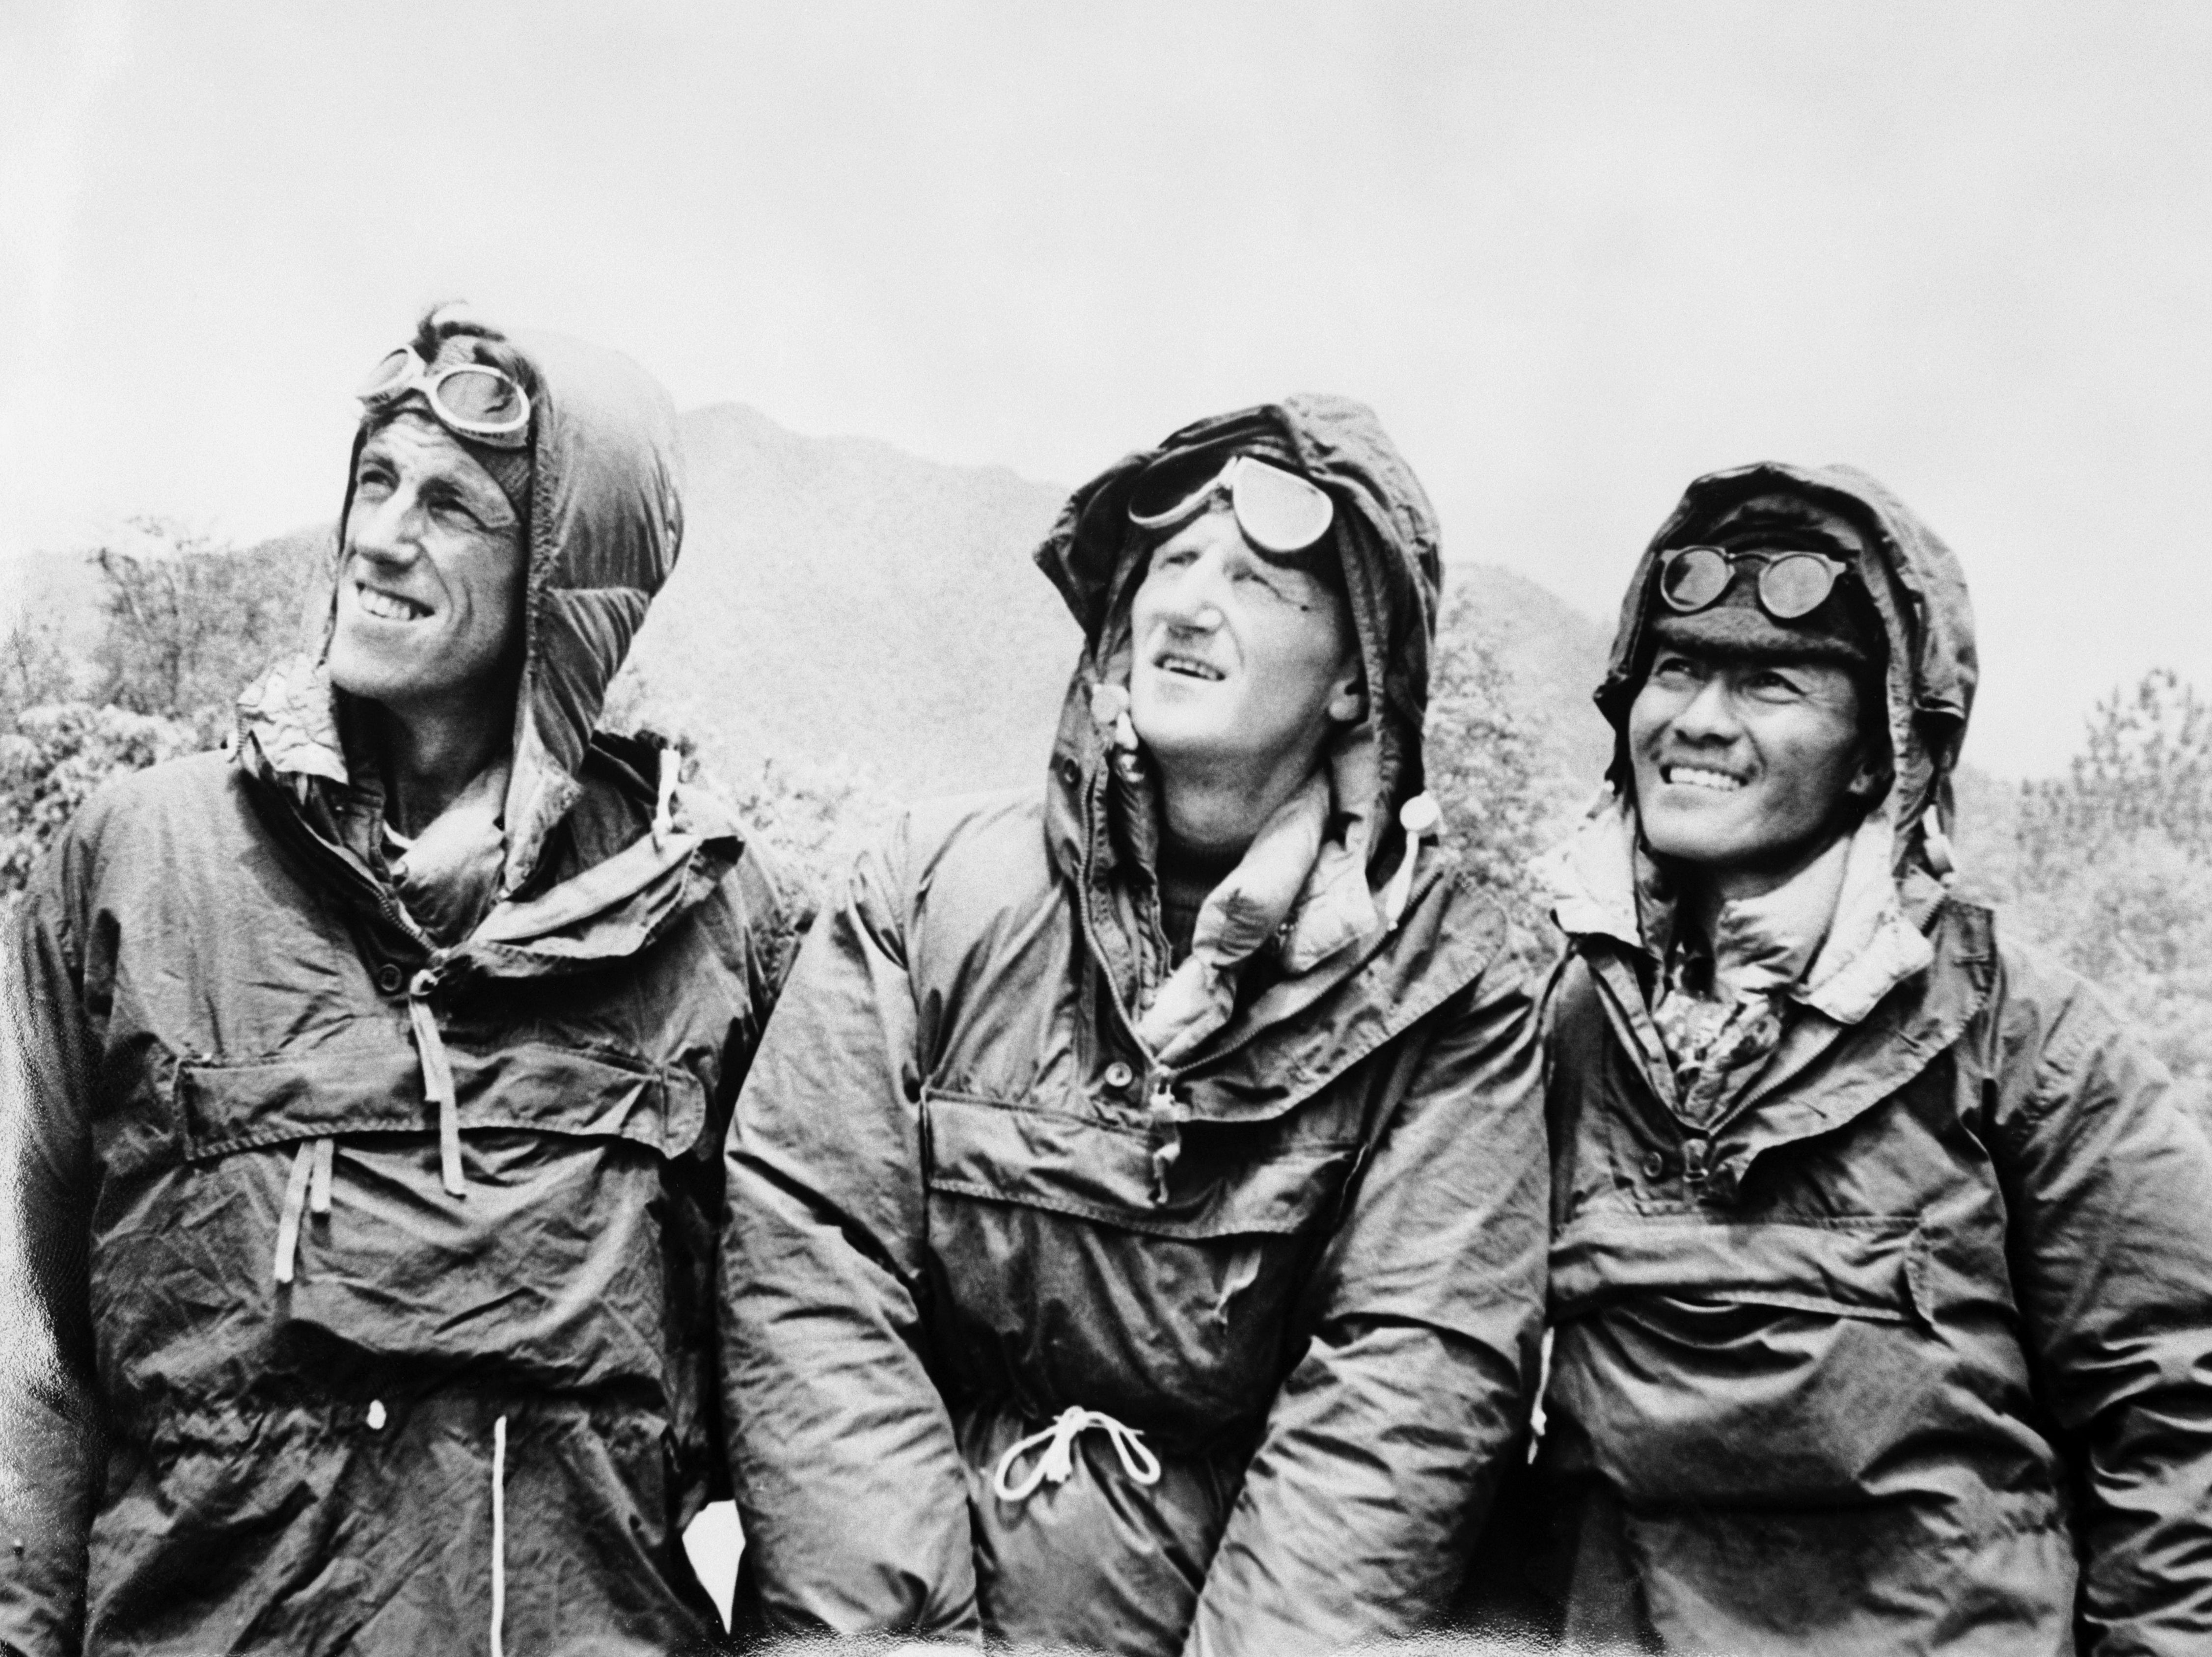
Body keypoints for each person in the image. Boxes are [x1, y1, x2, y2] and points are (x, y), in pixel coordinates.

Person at [0, 306, 807, 1655]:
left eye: (447, 504)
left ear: (564, 585)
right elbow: (27, 1360)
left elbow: (802, 1406)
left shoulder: (721, 926)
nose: (378, 534)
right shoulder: (136, 867)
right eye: (373, 479)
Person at [721, 396, 1547, 1656]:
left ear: (1353, 681)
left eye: (1263, 581)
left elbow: (1407, 1383)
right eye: (1171, 564)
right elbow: (811, 1265)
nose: (1189, 601)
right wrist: (897, 1644)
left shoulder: (1448, 995)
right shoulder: (926, 893)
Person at [1525, 461, 2212, 1653]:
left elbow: (2178, 1418)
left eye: (1771, 681)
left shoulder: (2031, 1044)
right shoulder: (1560, 1026)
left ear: (1876, 754)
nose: (1697, 718)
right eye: (1678, 667)